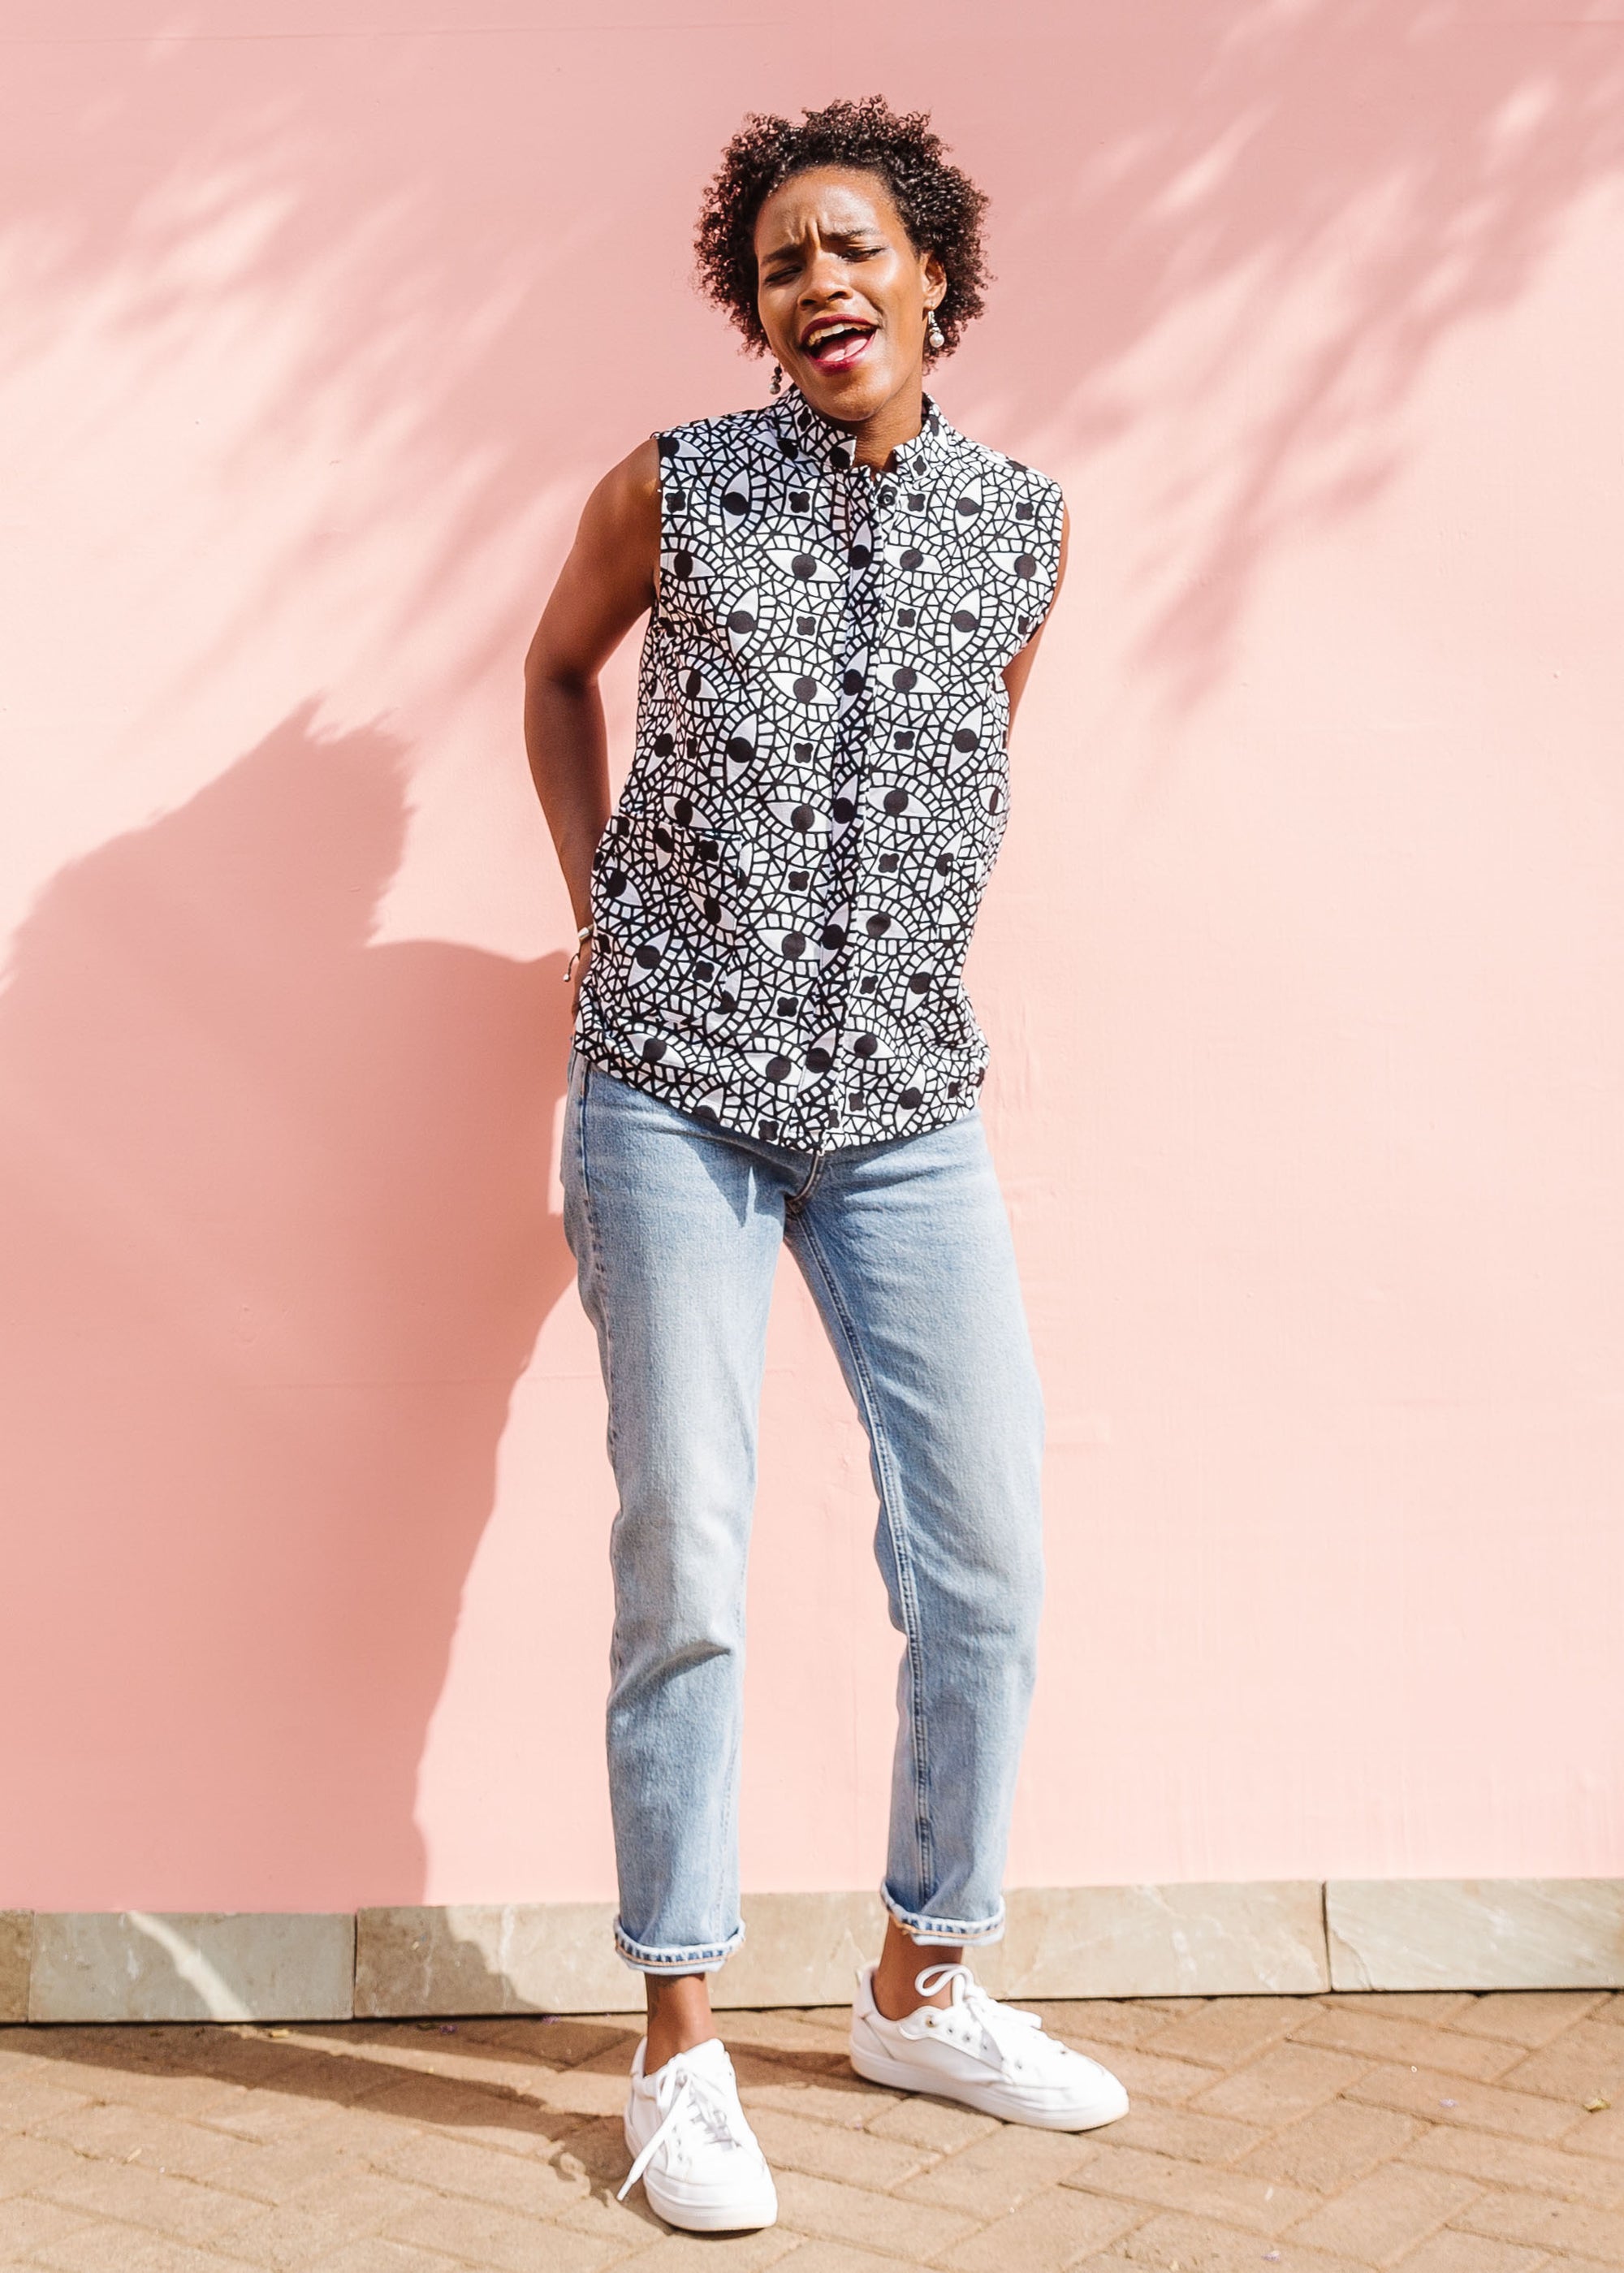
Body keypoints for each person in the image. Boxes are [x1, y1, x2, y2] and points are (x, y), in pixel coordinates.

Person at [523, 94, 1129, 2236]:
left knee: (986, 1562)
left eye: (853, 248)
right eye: (783, 263)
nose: (820, 286)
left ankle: (919, 1979)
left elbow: (970, 758)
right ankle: (679, 2048)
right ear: (757, 313)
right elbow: (556, 673)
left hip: (903, 1106)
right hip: (668, 1085)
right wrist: (608, 930)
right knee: (685, 1550)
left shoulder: (1026, 526)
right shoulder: (675, 487)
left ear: (937, 279)